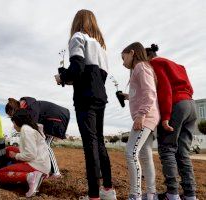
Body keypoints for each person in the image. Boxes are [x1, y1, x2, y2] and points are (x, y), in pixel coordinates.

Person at [54, 9, 117, 200]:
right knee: (99, 142)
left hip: (85, 98)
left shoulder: (78, 37)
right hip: (100, 96)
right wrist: (73, 77)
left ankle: (93, 196)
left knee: (90, 144)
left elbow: (78, 68)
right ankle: (107, 190)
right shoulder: (101, 47)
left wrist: (62, 77)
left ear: (77, 22)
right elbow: (98, 76)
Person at [146, 44, 198, 200]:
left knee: (167, 149)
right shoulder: (178, 66)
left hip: (175, 105)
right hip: (190, 104)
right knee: (183, 153)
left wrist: (166, 115)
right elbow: (189, 88)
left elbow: (165, 88)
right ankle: (190, 195)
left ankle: (172, 194)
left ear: (148, 56)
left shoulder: (155, 63)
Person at [121, 42, 160, 200]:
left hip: (146, 117)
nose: (123, 62)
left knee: (130, 153)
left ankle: (135, 195)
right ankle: (150, 194)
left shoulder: (140, 67)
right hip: (150, 116)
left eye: (123, 58)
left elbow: (150, 93)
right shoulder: (143, 68)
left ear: (132, 53)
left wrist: (141, 115)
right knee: (145, 155)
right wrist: (128, 97)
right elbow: (143, 93)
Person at [5, 97, 70, 178]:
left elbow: (34, 127)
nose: (13, 118)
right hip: (50, 119)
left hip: (56, 118)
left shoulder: (30, 109)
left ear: (14, 110)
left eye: (11, 115)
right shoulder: (26, 106)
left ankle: (56, 173)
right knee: (43, 144)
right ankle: (49, 170)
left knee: (46, 145)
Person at [0, 109, 51, 198]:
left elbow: (30, 155)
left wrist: (16, 156)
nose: (13, 126)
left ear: (18, 121)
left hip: (37, 166)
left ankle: (30, 177)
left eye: (13, 123)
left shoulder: (25, 129)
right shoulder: (31, 128)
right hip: (41, 164)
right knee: (9, 149)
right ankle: (15, 173)